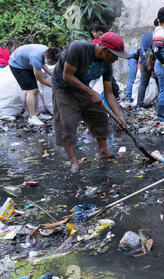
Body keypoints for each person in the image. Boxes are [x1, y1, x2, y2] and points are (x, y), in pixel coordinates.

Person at [51, 32, 129, 173]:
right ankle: (73, 160)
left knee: (99, 115)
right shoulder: (79, 49)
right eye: (115, 55)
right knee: (67, 123)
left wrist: (119, 116)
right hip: (63, 88)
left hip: (83, 88)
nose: (116, 59)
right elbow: (67, 76)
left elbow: (109, 92)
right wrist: (92, 92)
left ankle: (103, 151)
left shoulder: (107, 64)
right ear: (105, 50)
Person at [9, 45, 61, 126]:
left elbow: (43, 64)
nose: (52, 64)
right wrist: (57, 86)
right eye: (51, 62)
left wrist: (52, 74)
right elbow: (42, 80)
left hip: (26, 63)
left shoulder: (47, 51)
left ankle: (37, 114)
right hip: (17, 65)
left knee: (35, 90)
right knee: (32, 90)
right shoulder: (36, 57)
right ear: (45, 56)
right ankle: (32, 117)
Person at [137, 19, 159, 109]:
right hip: (154, 62)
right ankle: (161, 103)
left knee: (143, 83)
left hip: (143, 61)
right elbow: (157, 50)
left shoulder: (145, 36)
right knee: (159, 82)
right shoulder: (157, 36)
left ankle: (140, 103)